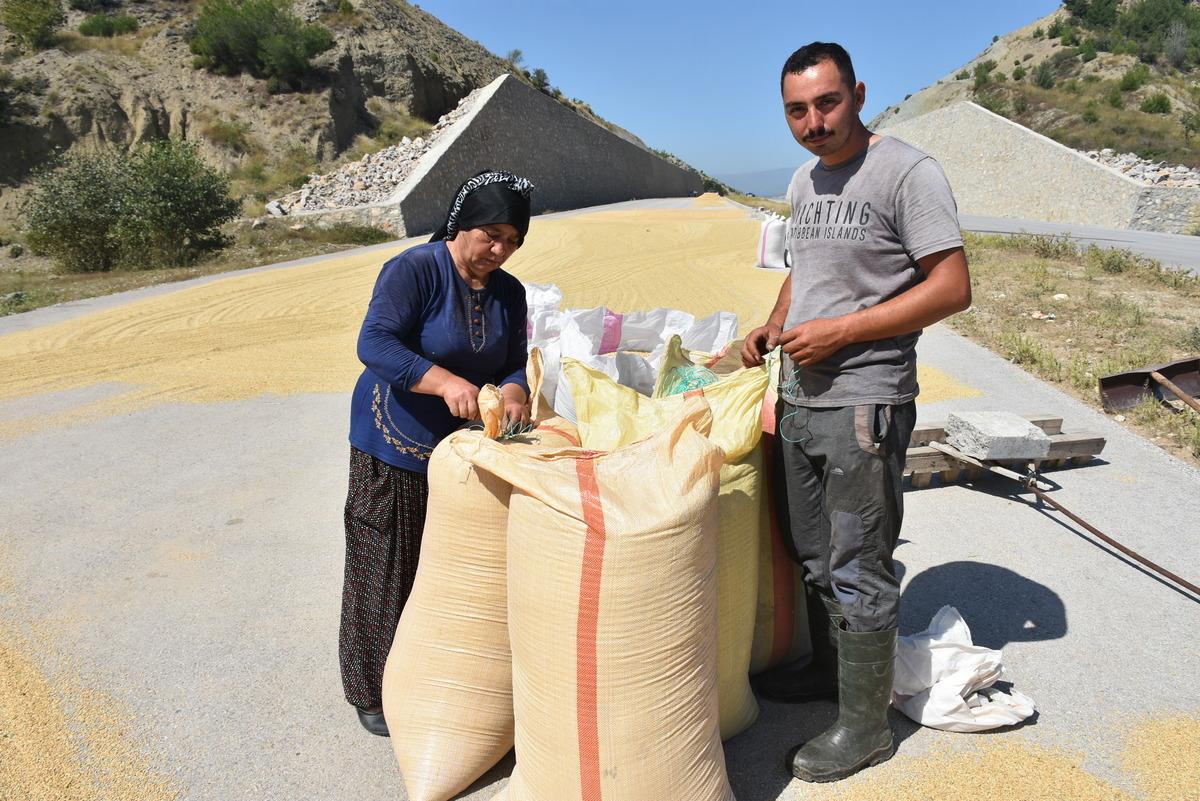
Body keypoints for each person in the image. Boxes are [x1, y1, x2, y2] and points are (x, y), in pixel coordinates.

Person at [741, 43, 971, 782]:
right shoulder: (805, 181)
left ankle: (866, 726)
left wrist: (842, 331)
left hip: (864, 402)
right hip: (802, 398)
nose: (813, 123)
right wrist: (774, 324)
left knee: (859, 564)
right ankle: (828, 672)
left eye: (827, 103)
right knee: (812, 555)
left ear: (859, 93)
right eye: (797, 111)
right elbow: (803, 275)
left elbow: (951, 286)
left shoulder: (907, 172)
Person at [339, 170, 535, 737]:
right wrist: (443, 381)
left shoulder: (510, 291)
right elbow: (374, 342)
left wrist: (517, 388)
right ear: (461, 225)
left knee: (445, 570)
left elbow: (514, 359)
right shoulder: (415, 270)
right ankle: (370, 688)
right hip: (394, 442)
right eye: (490, 235)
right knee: (384, 563)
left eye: (512, 241)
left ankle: (429, 679)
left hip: (462, 450)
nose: (498, 251)